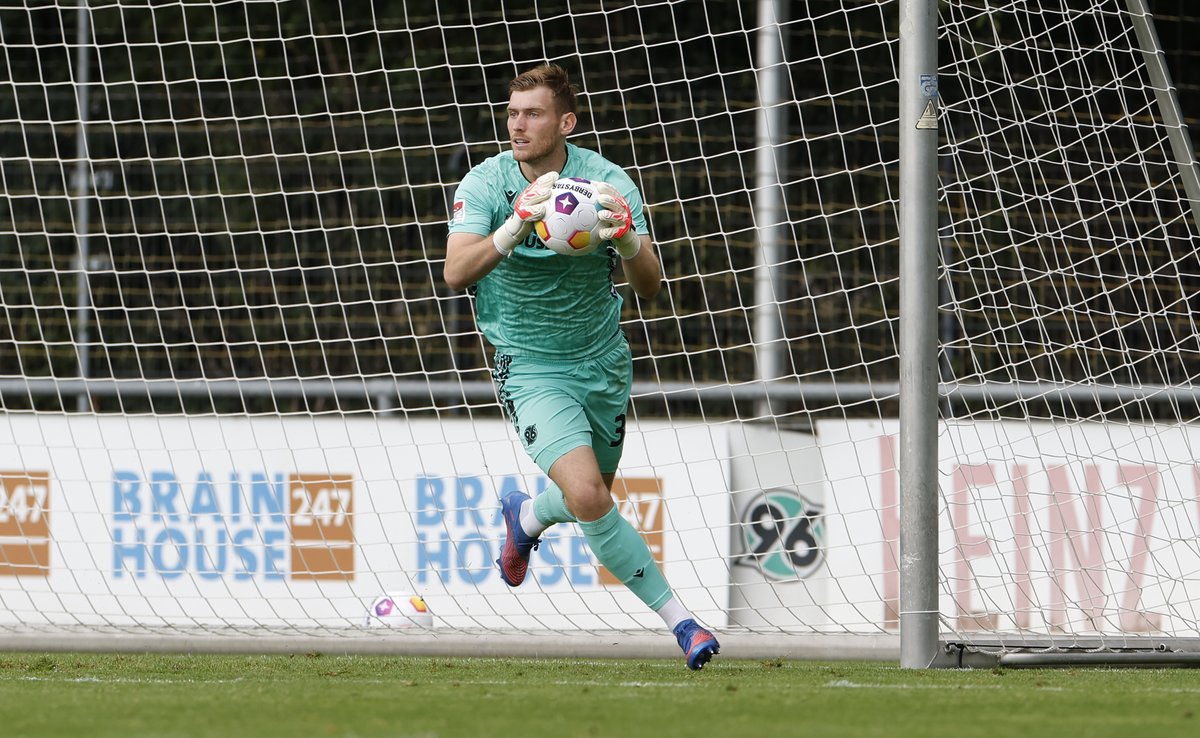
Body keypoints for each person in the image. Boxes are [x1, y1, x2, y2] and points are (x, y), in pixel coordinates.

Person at [444, 63, 719, 670]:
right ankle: (684, 624)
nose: (518, 124)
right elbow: (456, 272)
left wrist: (626, 241)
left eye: (533, 113)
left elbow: (650, 286)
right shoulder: (487, 183)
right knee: (591, 494)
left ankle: (526, 515)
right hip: (530, 365)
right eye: (513, 112)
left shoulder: (606, 182)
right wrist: (515, 224)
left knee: (584, 496)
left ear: (565, 122)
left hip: (602, 361)